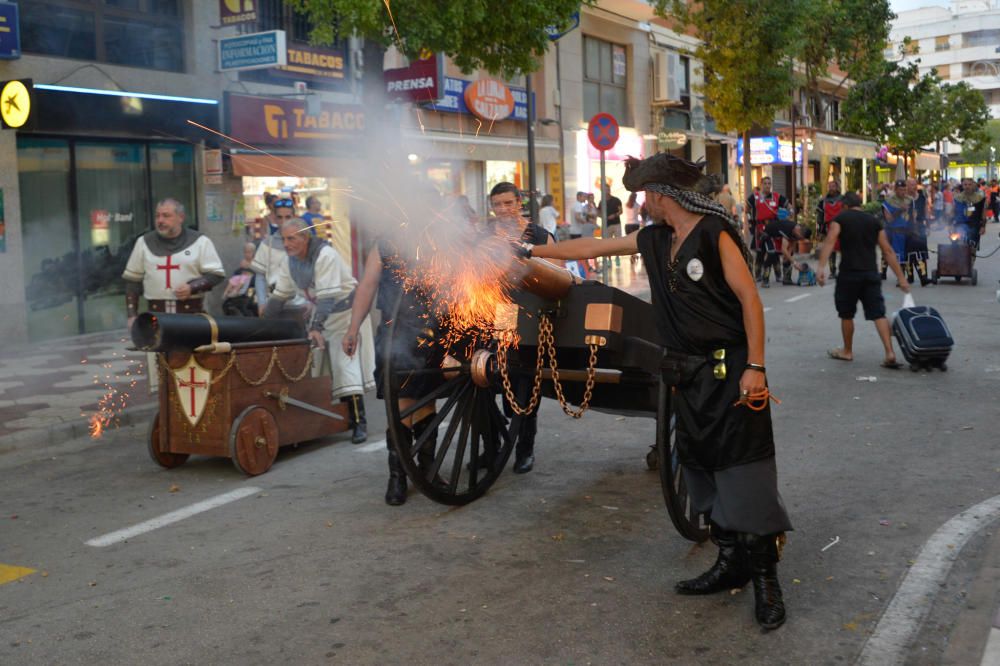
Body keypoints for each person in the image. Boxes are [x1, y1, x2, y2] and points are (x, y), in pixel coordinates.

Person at [529, 153, 792, 631]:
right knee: (700, 469)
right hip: (685, 377)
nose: (641, 203)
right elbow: (596, 247)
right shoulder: (654, 239)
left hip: (730, 372)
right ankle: (728, 563)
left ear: (661, 195)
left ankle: (766, 582)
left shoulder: (715, 235)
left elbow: (750, 299)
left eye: (645, 195)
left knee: (744, 474)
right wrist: (536, 254)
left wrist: (756, 366)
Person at [342, 231, 448, 506]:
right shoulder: (384, 244)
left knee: (425, 403)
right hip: (395, 333)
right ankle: (398, 474)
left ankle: (427, 469)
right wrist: (353, 328)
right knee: (401, 405)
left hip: (430, 332)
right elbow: (367, 285)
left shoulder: (435, 240)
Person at [263, 218, 374, 444]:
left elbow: (327, 298)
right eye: (284, 239)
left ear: (305, 238)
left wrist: (315, 328)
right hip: (323, 317)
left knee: (345, 367)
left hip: (347, 316)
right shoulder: (290, 262)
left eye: (291, 238)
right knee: (317, 367)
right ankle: (330, 419)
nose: (286, 243)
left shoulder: (325, 255)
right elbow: (279, 297)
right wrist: (262, 324)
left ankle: (358, 422)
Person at [490, 181, 557, 474]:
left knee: (525, 382)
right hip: (497, 311)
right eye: (497, 205)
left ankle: (524, 448)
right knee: (496, 378)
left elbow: (557, 274)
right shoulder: (485, 236)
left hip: (531, 312)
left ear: (519, 203)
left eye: (508, 203)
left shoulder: (539, 235)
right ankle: (497, 441)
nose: (503, 210)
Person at [818, 192, 910, 368]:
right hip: (870, 273)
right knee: (878, 313)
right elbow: (888, 251)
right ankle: (890, 353)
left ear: (845, 206)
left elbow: (830, 241)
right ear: (860, 204)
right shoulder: (874, 221)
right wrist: (901, 278)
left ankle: (847, 351)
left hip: (848, 274)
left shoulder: (841, 218)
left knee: (846, 314)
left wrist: (821, 268)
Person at [123, 198, 225, 326]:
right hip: (155, 317)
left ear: (180, 217)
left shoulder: (200, 242)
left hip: (191, 316)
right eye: (157, 216)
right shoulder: (143, 242)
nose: (160, 220)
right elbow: (132, 281)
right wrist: (132, 315)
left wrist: (191, 287)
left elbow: (216, 274)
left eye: (166, 216)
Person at [251, 197, 296, 314]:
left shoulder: (305, 242)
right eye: (280, 217)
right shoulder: (267, 244)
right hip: (273, 303)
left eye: (288, 217)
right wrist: (261, 303)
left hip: (299, 304)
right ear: (275, 219)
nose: (284, 221)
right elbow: (260, 276)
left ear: (294, 217)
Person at [746, 176, 789, 284]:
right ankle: (758, 275)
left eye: (769, 184)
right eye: (765, 183)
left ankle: (778, 275)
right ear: (761, 185)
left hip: (773, 227)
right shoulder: (755, 197)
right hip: (759, 228)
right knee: (760, 252)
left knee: (773, 252)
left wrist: (789, 213)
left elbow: (789, 206)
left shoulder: (776, 196)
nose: (767, 186)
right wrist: (749, 224)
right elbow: (746, 209)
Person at [880, 180, 912, 281]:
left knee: (909, 253)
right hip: (894, 231)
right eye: (900, 189)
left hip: (907, 230)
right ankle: (900, 277)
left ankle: (911, 276)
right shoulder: (889, 201)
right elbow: (889, 219)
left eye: (904, 189)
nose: (903, 192)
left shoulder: (909, 200)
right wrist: (900, 210)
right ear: (895, 190)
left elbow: (913, 215)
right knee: (897, 254)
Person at [904, 177, 931, 286]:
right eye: (910, 184)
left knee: (920, 251)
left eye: (914, 184)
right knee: (908, 252)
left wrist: (928, 225)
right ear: (906, 185)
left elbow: (926, 211)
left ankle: (923, 277)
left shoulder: (922, 197)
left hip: (920, 227)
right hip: (907, 227)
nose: (913, 187)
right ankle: (910, 277)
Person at [815, 180, 844, 279]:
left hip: (842, 227)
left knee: (845, 249)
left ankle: (845, 270)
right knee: (831, 250)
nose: (831, 188)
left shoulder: (843, 199)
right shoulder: (823, 201)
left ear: (837, 187)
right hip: (829, 228)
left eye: (833, 186)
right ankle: (833, 271)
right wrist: (819, 230)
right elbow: (820, 216)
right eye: (830, 186)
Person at [222, 242, 259, 317]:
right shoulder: (242, 266)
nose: (247, 254)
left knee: (247, 306)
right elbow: (236, 276)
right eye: (245, 252)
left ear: (254, 253)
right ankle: (227, 292)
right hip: (238, 292)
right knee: (227, 304)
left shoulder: (257, 266)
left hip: (250, 293)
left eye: (249, 252)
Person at [952, 177, 986, 254]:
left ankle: (970, 266)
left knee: (972, 251)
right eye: (965, 184)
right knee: (959, 251)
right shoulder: (957, 198)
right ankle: (962, 265)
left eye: (969, 184)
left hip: (974, 227)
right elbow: (953, 212)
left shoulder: (980, 198)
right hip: (959, 226)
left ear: (973, 185)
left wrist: (983, 226)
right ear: (962, 185)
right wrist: (950, 225)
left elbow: (983, 213)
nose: (967, 186)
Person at [599, 185, 624, 266]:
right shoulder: (601, 202)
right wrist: (602, 216)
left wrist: (615, 215)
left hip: (616, 223)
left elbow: (621, 211)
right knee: (608, 244)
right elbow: (599, 213)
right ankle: (609, 260)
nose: (607, 191)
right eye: (605, 189)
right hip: (606, 225)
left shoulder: (616, 200)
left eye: (608, 189)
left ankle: (617, 258)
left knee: (618, 242)